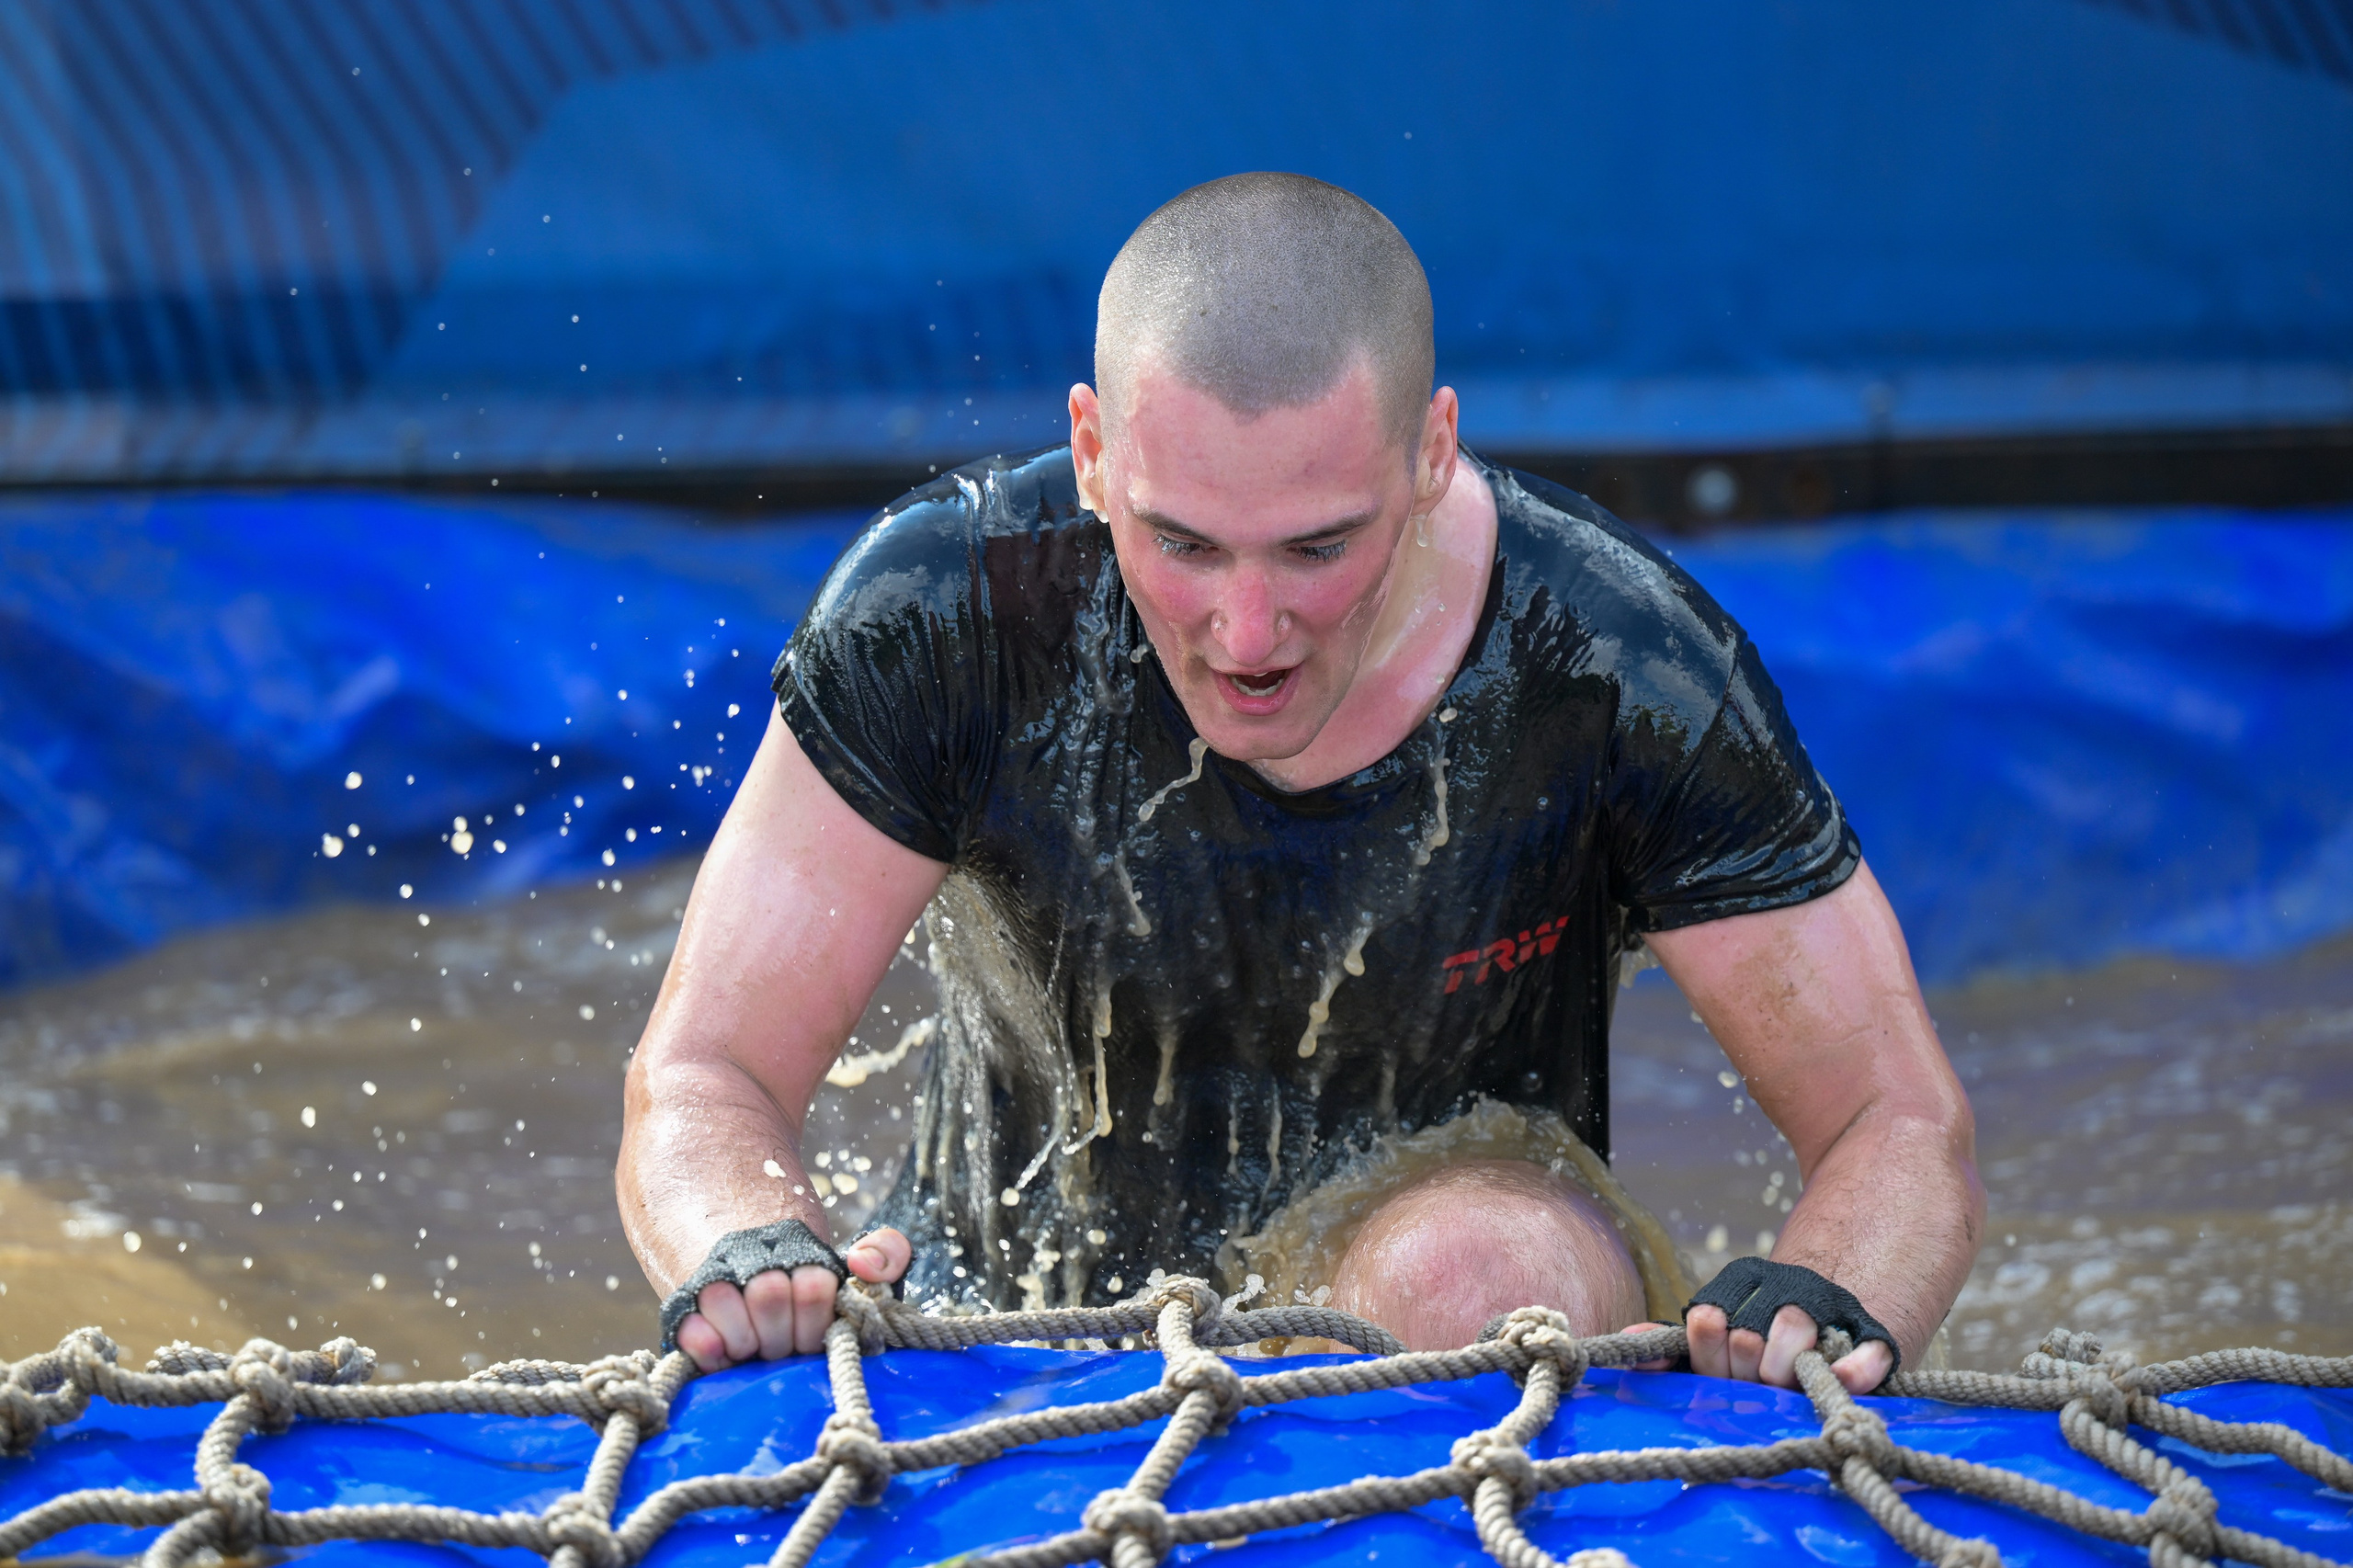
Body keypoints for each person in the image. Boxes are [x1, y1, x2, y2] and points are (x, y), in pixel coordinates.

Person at [619, 173, 1983, 1395]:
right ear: (1092, 452)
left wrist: (1829, 1292)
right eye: (1184, 545)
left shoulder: (1617, 668)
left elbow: (1896, 1115)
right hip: (1007, 1326)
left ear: (1431, 451)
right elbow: (702, 1072)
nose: (1249, 631)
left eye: (1320, 547)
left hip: (1460, 1329)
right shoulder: (954, 610)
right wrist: (753, 1243)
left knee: (1474, 1267)